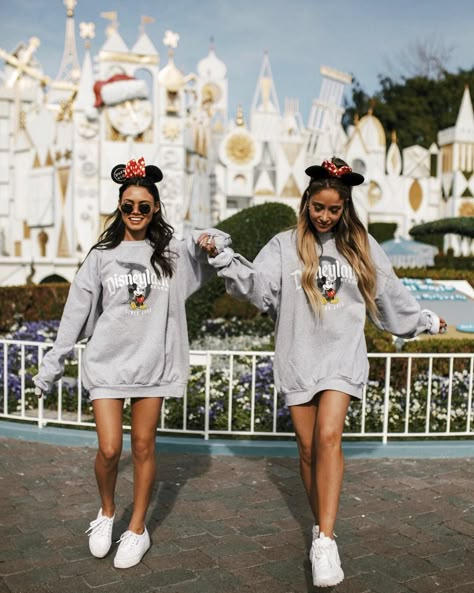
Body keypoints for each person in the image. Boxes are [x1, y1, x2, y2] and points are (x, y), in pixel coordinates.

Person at [199, 157, 447, 588]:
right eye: (319, 208)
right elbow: (259, 289)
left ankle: (325, 540)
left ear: (345, 207)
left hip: (341, 356)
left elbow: (388, 294)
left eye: (335, 209)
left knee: (329, 437)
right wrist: (224, 258)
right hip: (298, 356)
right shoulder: (284, 245)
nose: (326, 216)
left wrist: (421, 320)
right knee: (308, 450)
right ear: (307, 203)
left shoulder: (362, 245)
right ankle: (320, 523)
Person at [33, 157, 230, 569]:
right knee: (109, 449)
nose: (136, 212)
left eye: (144, 205)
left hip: (152, 365)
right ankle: (106, 513)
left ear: (155, 207)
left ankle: (137, 529)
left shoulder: (172, 253)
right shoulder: (102, 256)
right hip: (107, 363)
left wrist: (212, 241)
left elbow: (210, 240)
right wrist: (54, 362)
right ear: (119, 208)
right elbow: (75, 311)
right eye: (128, 206)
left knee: (142, 446)